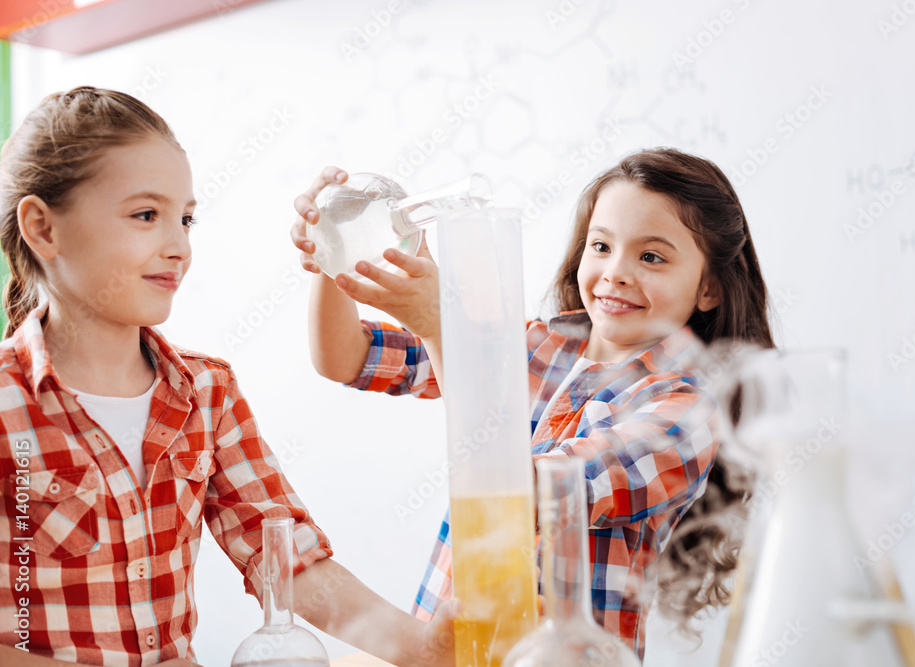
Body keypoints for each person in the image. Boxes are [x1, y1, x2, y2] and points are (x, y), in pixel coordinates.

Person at [0, 87, 455, 667]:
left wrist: (422, 649)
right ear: (43, 229)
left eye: (185, 219)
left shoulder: (206, 392)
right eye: (146, 215)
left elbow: (287, 561)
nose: (178, 246)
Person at [290, 148, 774, 658]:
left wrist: (439, 326)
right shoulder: (532, 346)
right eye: (601, 246)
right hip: (453, 652)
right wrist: (333, 253)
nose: (616, 272)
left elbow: (520, 493)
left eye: (651, 257)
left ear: (709, 289)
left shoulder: (688, 412)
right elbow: (345, 357)